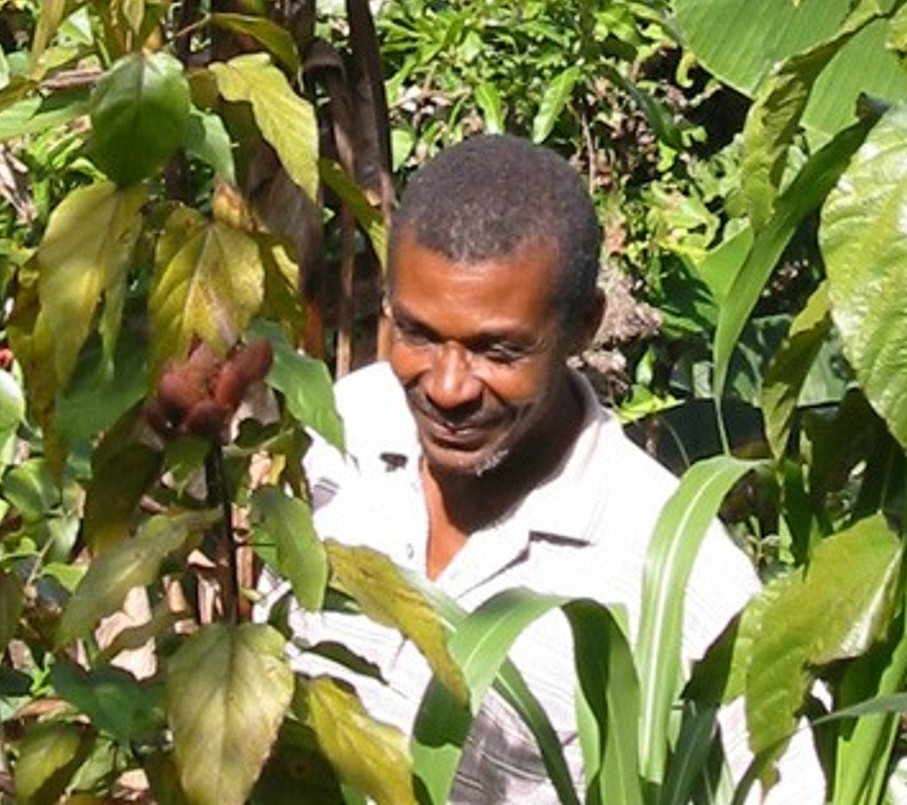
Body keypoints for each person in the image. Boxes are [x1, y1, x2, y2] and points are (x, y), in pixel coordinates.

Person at [289, 135, 821, 802]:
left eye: (499, 350)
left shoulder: (675, 572)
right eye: (418, 334)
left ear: (583, 328)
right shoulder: (341, 432)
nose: (449, 387)